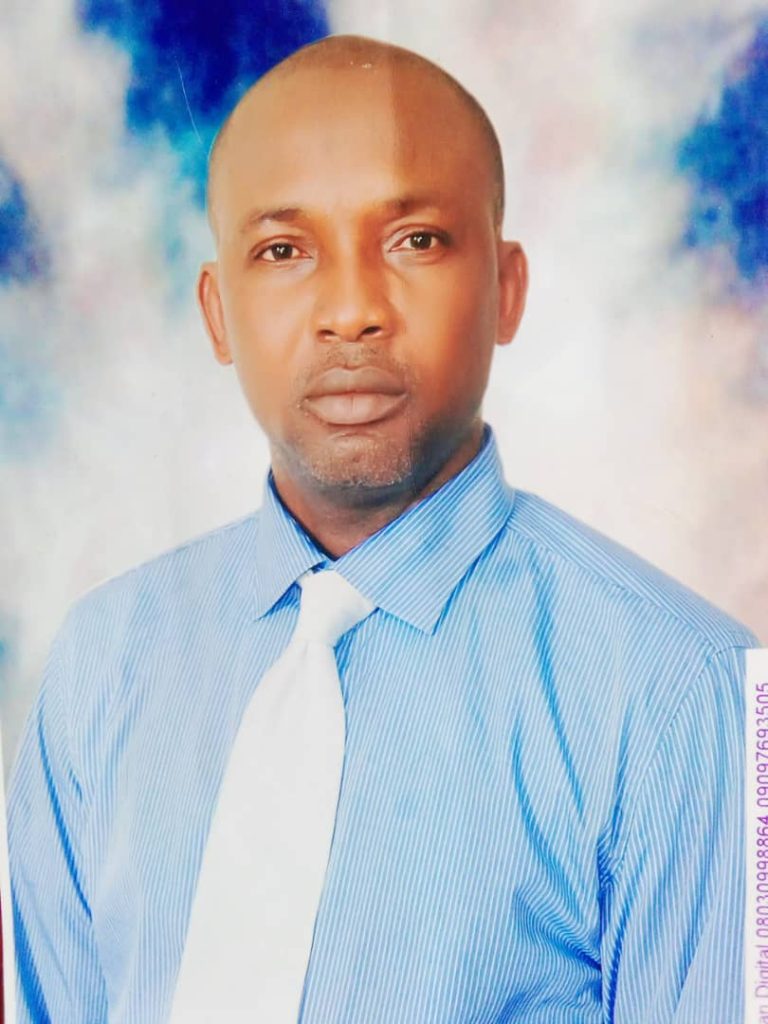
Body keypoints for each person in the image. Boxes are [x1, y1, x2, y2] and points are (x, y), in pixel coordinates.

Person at [7, 33, 758, 1024]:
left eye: (416, 241)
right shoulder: (104, 662)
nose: (352, 310)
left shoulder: (688, 697)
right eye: (284, 251)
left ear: (507, 289)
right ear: (218, 312)